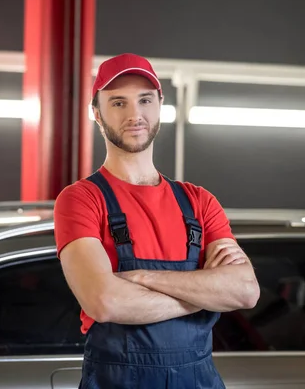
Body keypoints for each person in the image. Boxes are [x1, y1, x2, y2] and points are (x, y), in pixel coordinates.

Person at [53, 53, 260, 389]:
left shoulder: (199, 202)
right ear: (96, 113)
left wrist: (141, 277)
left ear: (159, 105)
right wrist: (205, 292)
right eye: (118, 102)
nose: (135, 114)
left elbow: (245, 291)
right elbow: (105, 301)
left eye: (145, 100)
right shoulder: (81, 200)